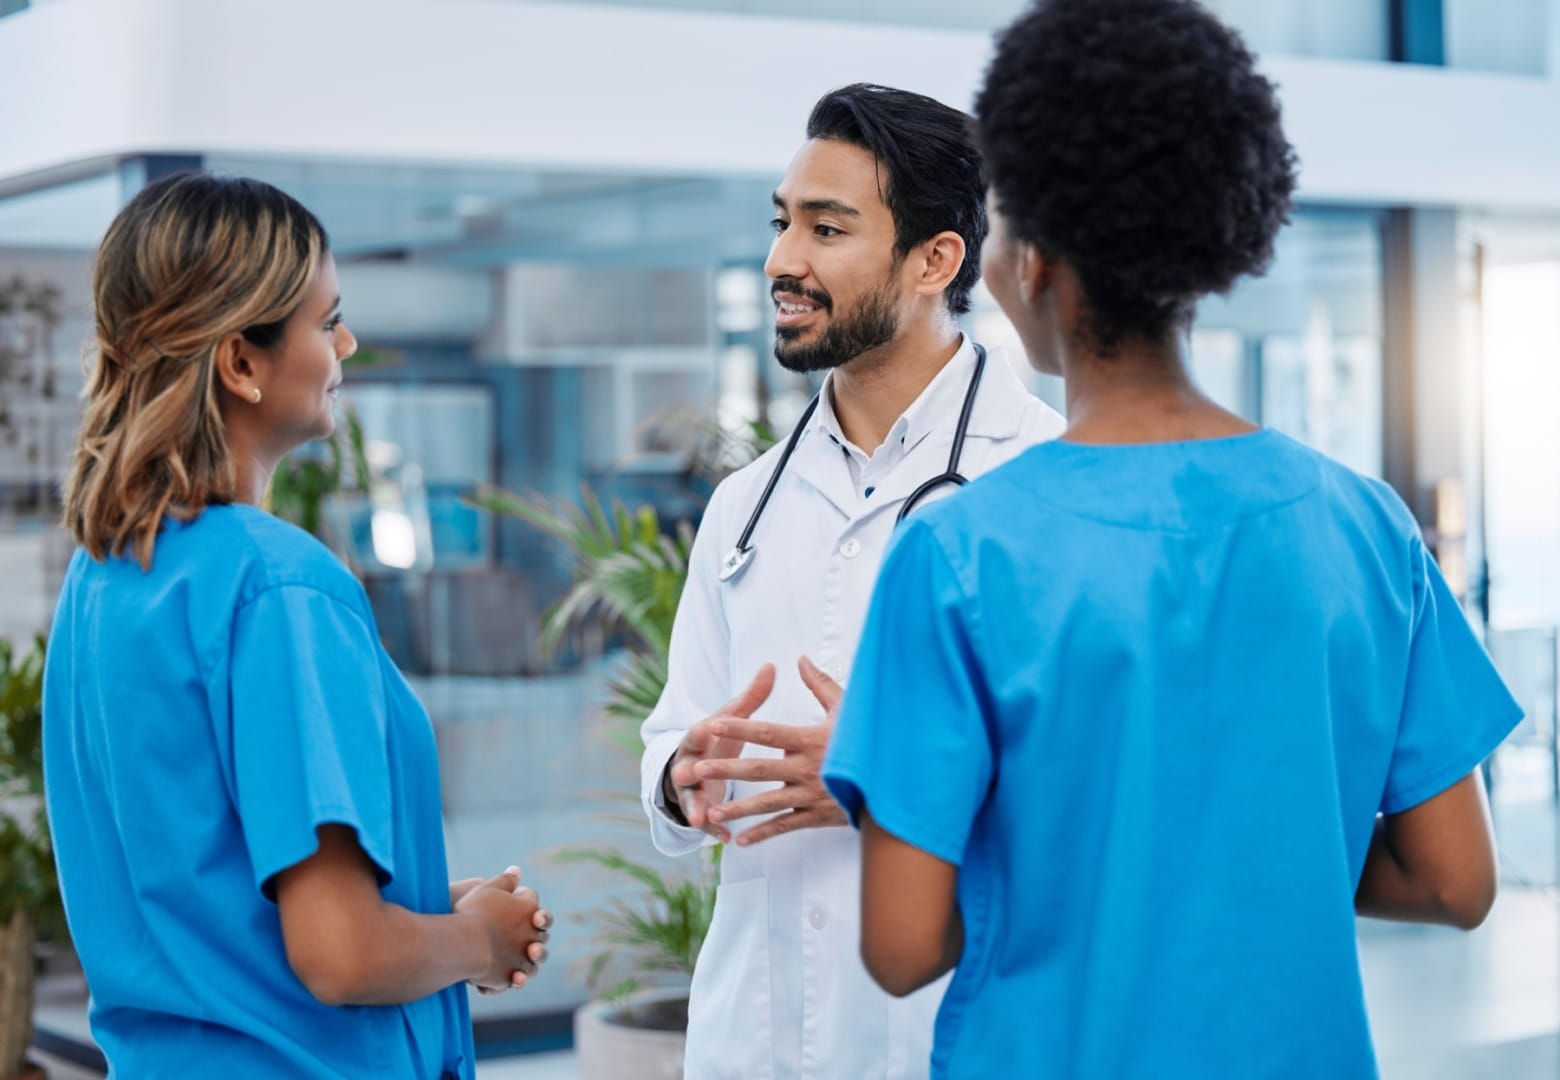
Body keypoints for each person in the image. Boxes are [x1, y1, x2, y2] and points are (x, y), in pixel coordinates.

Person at [821, 2, 1524, 1077]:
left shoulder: (960, 557)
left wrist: (1065, 857)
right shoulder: (1364, 523)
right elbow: (1455, 883)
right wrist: (1257, 855)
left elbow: (903, 947)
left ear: (1038, 262)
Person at [43, 173, 552, 1080]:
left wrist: (432, 912)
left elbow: (210, 898)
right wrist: (476, 942)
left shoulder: (106, 575)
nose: (347, 343)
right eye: (327, 322)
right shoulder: (277, 585)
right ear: (242, 361)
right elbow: (342, 956)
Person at [638, 83, 1065, 1078]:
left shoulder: (1046, 479)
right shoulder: (745, 505)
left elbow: (1099, 788)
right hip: (756, 1042)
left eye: (827, 229)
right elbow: (671, 728)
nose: (784, 261)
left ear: (935, 260)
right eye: (783, 223)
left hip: (955, 1039)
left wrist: (889, 773)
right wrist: (683, 773)